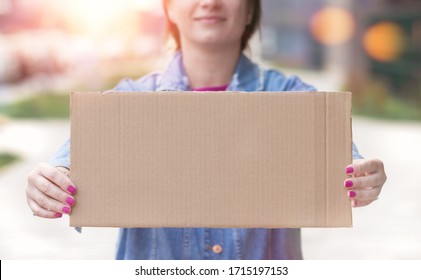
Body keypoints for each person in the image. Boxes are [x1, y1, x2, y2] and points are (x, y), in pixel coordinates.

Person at [26, 0, 387, 259]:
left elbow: (346, 164)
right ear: (168, 8)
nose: (210, 2)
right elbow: (66, 167)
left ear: (249, 10)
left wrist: (364, 179)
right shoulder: (128, 102)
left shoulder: (295, 100)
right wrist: (50, 183)